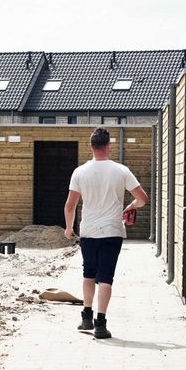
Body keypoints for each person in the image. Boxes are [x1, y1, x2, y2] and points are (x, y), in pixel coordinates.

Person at [63, 127, 148, 339]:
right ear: (108, 146)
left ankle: (86, 316)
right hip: (112, 230)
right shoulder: (121, 170)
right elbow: (142, 198)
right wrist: (128, 208)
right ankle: (101, 324)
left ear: (91, 147)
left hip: (89, 230)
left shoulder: (80, 172)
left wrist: (68, 228)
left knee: (88, 273)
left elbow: (70, 206)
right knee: (106, 278)